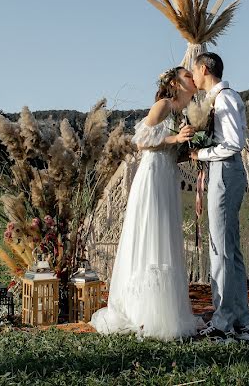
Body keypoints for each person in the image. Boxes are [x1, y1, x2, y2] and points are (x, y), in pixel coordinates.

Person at [90, 67, 204, 340]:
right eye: (188, 75)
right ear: (176, 83)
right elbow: (140, 140)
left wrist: (190, 151)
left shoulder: (180, 111)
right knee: (152, 232)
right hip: (152, 176)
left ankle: (166, 309)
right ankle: (144, 311)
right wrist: (175, 138)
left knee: (164, 234)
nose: (193, 79)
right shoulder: (163, 105)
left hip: (165, 175)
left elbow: (165, 147)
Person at [189, 52, 249, 343]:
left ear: (204, 69)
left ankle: (223, 323)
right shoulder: (220, 98)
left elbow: (232, 143)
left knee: (221, 248)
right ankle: (241, 322)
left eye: (194, 71)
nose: (192, 76)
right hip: (223, 171)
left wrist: (200, 153)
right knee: (229, 248)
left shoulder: (224, 98)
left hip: (225, 172)